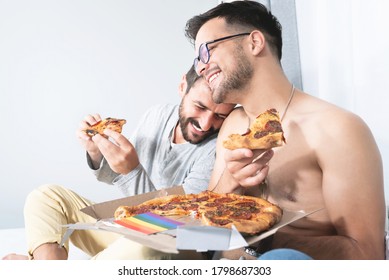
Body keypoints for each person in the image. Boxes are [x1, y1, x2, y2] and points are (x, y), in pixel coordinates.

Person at [185, 0, 386, 259]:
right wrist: (231, 183)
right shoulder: (232, 126)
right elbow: (207, 234)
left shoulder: (336, 129)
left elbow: (367, 254)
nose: (200, 67)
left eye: (206, 50)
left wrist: (263, 238)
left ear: (254, 42)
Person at [2, 66, 235, 260]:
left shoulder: (218, 150)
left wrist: (131, 171)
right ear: (182, 86)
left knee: (148, 246)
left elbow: (174, 225)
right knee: (45, 196)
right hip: (128, 228)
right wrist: (97, 152)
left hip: (172, 244)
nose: (206, 124)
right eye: (200, 107)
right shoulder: (158, 115)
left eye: (220, 116)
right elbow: (118, 176)